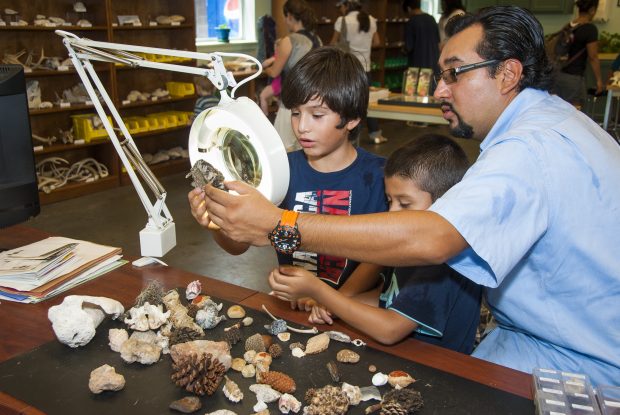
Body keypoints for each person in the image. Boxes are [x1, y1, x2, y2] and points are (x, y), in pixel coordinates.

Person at [197, 6, 620, 387]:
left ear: (507, 74)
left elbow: (432, 238)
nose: (439, 90)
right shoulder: (555, 124)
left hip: (579, 358)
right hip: (550, 336)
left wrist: (279, 225)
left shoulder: (531, 146)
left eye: (455, 73)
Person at [189, 46, 388, 305]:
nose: (302, 126)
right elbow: (238, 245)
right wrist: (214, 221)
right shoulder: (279, 171)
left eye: (317, 115)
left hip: (353, 308)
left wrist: (333, 300)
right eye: (295, 113)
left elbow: (380, 254)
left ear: (352, 119)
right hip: (292, 307)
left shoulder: (380, 176)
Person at [269, 134, 482, 353]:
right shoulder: (406, 248)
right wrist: (330, 306)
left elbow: (390, 329)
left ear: (445, 202)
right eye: (390, 201)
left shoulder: (442, 263)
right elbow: (385, 297)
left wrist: (319, 291)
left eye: (405, 203)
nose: (392, 213)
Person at [265, 0, 322, 152]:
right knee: (305, 149)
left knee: (282, 150)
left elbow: (274, 72)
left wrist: (264, 68)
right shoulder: (317, 40)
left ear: (289, 16)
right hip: (313, 101)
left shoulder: (289, 41)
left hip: (290, 104)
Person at [331, 0, 388, 145]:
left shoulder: (342, 21)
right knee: (367, 102)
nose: (341, 10)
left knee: (347, 103)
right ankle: (375, 134)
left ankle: (350, 138)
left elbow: (333, 43)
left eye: (341, 7)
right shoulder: (370, 20)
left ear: (346, 6)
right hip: (365, 69)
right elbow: (377, 42)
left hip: (348, 69)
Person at [553, 0, 604, 108]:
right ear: (592, 10)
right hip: (574, 78)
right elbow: (593, 57)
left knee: (560, 111)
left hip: (558, 75)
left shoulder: (568, 26)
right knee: (576, 114)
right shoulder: (590, 29)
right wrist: (599, 81)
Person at [402, 0, 440, 75]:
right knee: (431, 86)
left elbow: (408, 47)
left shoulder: (412, 22)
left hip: (417, 67)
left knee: (416, 86)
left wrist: (403, 51)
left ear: (409, 9)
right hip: (433, 65)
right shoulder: (431, 19)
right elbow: (438, 41)